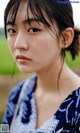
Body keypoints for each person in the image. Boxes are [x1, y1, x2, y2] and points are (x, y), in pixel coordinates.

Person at [2, 0, 80, 132]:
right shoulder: (17, 94)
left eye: (33, 29)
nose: (18, 44)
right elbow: (4, 129)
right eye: (12, 30)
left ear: (65, 38)